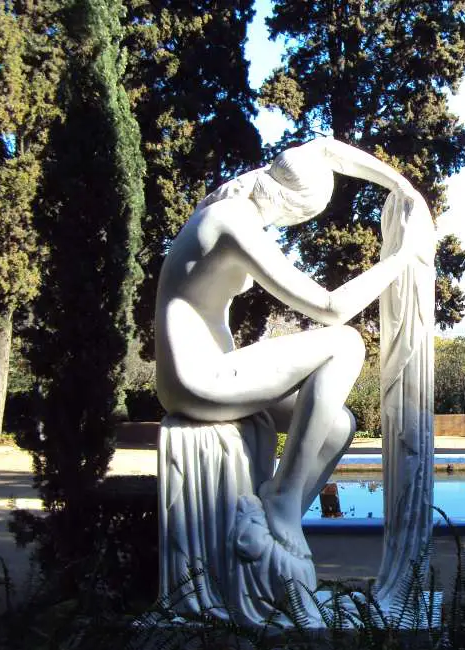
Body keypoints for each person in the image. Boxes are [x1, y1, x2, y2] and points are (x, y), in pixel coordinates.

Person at [155, 137, 434, 559]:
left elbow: (325, 148)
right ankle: (284, 498)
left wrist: (397, 183)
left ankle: (271, 526)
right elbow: (330, 307)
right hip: (196, 378)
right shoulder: (230, 220)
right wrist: (399, 259)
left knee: (338, 426)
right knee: (345, 343)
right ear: (290, 204)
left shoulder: (231, 211)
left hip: (212, 372)